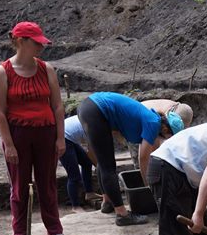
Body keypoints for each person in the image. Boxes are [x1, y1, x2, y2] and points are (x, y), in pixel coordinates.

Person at [0, 21, 68, 235]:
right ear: (21, 42)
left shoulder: (47, 69)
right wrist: (9, 144)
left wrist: (60, 137)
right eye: (36, 43)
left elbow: (57, 106)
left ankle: (54, 230)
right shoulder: (2, 72)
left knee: (47, 184)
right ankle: (20, 232)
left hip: (46, 133)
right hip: (17, 135)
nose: (41, 47)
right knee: (19, 185)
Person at [76, 92, 185, 226]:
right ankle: (122, 215)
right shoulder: (153, 123)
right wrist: (148, 187)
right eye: (170, 136)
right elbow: (143, 157)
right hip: (96, 110)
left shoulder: (151, 119)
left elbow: (152, 150)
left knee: (103, 163)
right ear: (165, 128)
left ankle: (108, 202)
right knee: (108, 166)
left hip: (89, 107)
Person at [59, 115, 100, 212]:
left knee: (86, 163)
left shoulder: (93, 120)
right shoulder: (91, 125)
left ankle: (89, 193)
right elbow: (90, 151)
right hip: (62, 139)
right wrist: (99, 167)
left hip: (70, 138)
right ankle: (75, 206)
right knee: (74, 175)